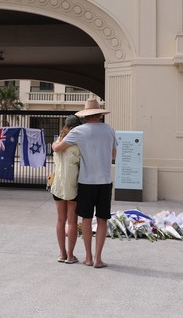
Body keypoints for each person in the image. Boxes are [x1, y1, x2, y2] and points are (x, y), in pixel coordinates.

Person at [51, 99, 116, 269]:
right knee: (102, 219)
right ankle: (98, 259)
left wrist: (54, 144)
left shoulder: (79, 131)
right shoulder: (109, 130)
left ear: (86, 116)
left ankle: (88, 257)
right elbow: (114, 155)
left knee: (86, 219)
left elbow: (58, 148)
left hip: (86, 182)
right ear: (100, 115)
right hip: (105, 181)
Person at [49, 114, 81, 264]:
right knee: (72, 221)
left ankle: (62, 253)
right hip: (73, 185)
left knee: (61, 220)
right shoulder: (77, 144)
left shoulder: (57, 143)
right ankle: (70, 255)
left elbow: (55, 149)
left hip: (58, 185)